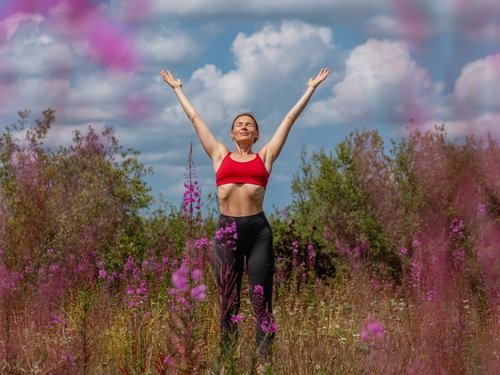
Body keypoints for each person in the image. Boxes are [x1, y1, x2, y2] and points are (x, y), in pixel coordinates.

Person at [161, 67, 329, 366]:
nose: (243, 127)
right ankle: (227, 362)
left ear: (257, 133)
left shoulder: (264, 156)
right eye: (239, 124)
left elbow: (289, 119)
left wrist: (311, 88)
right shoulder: (219, 155)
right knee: (229, 302)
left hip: (258, 232)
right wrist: (177, 89)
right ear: (231, 132)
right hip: (227, 231)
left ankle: (264, 364)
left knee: (261, 301)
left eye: (249, 125)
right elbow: (195, 119)